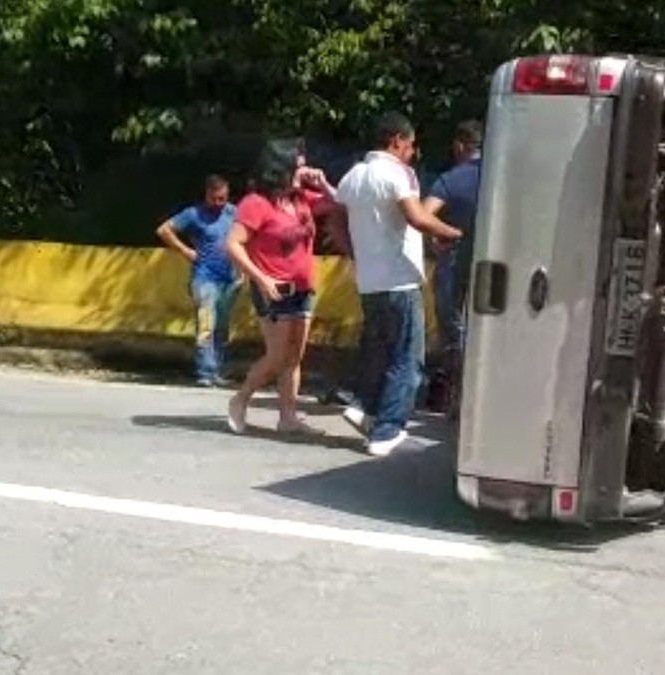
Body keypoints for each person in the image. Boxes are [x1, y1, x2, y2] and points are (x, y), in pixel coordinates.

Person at [327, 111, 462, 457]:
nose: (412, 152)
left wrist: (357, 254)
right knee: (407, 356)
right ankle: (387, 431)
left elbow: (336, 224)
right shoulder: (398, 174)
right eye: (411, 145)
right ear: (397, 140)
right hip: (400, 280)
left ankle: (361, 407)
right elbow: (417, 218)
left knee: (378, 348)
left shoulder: (352, 176)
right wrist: (455, 234)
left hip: (370, 281)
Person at [224, 138, 337, 435]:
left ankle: (288, 416)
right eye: (297, 166)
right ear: (280, 169)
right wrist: (261, 278)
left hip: (302, 287)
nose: (304, 171)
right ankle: (241, 398)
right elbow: (233, 244)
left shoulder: (301, 199)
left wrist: (323, 183)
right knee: (275, 357)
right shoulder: (256, 203)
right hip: (273, 288)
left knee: (294, 357)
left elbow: (339, 203)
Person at [155, 174, 242, 387]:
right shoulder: (193, 214)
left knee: (221, 326)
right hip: (204, 277)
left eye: (223, 198)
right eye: (215, 199)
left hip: (229, 278)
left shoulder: (233, 212)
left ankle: (217, 370)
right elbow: (164, 230)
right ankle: (205, 371)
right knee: (206, 324)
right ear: (207, 195)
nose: (219, 203)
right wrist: (185, 251)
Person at [422, 120, 483, 418]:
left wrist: (443, 232)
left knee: (454, 331)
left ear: (460, 146)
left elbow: (423, 212)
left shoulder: (453, 179)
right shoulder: (505, 174)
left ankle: (456, 400)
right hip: (497, 268)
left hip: (455, 265)